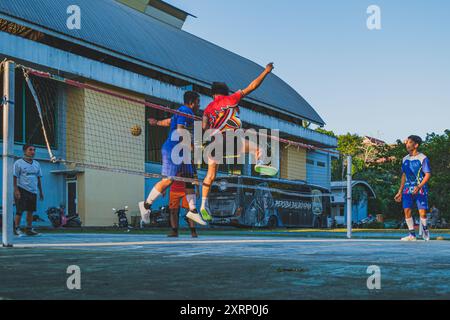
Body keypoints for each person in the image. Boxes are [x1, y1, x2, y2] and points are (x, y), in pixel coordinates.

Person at [200, 63, 277, 221]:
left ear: (213, 94)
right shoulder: (232, 98)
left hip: (213, 143)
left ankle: (203, 205)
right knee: (259, 147)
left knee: (210, 175)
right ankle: (259, 162)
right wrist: (266, 72)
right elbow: (252, 86)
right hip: (231, 140)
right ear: (224, 92)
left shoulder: (208, 108)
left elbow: (204, 127)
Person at [139, 91, 205, 226]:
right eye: (198, 102)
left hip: (182, 150)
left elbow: (169, 121)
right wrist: (191, 145)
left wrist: (157, 122)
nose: (199, 105)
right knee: (168, 181)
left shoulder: (183, 112)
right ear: (192, 102)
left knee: (189, 179)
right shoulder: (186, 110)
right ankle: (146, 205)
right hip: (172, 149)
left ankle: (192, 210)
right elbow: (180, 131)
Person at [394, 135, 431, 241]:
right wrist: (400, 191)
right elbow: (404, 175)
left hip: (420, 188)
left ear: (416, 145)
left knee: (422, 213)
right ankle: (412, 235)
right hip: (407, 189)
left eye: (410, 142)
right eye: (407, 142)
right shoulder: (404, 159)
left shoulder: (423, 158)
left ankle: (425, 230)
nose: (407, 144)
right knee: (407, 210)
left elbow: (427, 174)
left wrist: (419, 186)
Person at [13, 144, 44, 236]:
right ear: (25, 151)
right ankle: (16, 228)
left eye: (34, 150)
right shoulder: (18, 163)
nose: (33, 152)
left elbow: (38, 178)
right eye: (30, 150)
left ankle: (29, 229)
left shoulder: (37, 164)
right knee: (20, 210)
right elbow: (14, 177)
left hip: (33, 191)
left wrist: (41, 192)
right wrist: (16, 190)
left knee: (30, 211)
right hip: (22, 189)